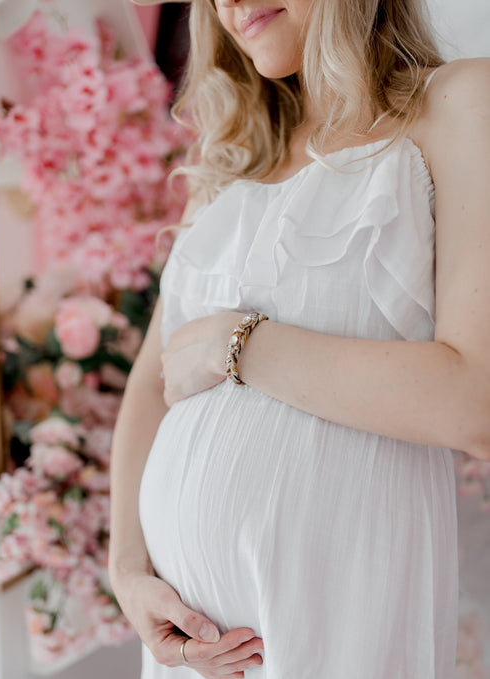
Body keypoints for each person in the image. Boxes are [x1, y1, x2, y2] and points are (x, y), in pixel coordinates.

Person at [109, 0, 490, 677]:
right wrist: (127, 572)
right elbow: (151, 384)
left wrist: (240, 344)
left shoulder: (457, 101)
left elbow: (474, 403)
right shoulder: (231, 158)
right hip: (190, 646)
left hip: (342, 610)